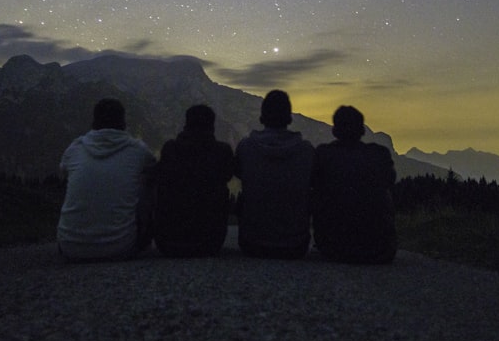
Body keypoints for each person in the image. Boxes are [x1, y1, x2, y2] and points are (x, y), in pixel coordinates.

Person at [57, 97, 156, 261]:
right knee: (149, 176)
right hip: (122, 247)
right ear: (123, 122)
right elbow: (153, 174)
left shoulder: (74, 148)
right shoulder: (137, 149)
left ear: (94, 122)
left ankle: (75, 226)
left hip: (69, 247)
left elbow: (63, 177)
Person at [234, 89, 315, 259]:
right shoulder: (307, 151)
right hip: (296, 246)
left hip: (251, 244)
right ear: (289, 117)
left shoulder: (246, 148)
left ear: (262, 117)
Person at [311, 105, 397, 264]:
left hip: (332, 248)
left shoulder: (323, 155)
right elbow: (390, 183)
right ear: (363, 131)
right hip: (379, 250)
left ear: (334, 131)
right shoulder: (380, 155)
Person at [151, 104, 235, 257]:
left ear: (186, 125)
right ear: (212, 126)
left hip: (168, 243)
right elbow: (229, 175)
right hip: (210, 243)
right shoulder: (222, 152)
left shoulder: (170, 149)